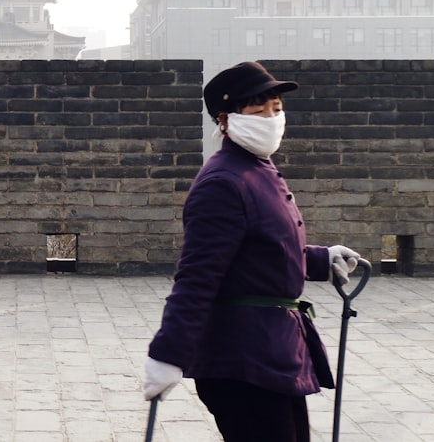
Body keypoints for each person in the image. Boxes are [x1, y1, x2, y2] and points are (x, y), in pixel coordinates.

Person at [143, 61, 361, 442]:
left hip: (274, 351)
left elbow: (261, 247)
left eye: (276, 108)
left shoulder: (258, 168)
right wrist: (168, 354)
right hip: (240, 360)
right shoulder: (223, 182)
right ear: (226, 120)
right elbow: (197, 277)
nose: (272, 118)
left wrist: (321, 261)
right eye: (259, 110)